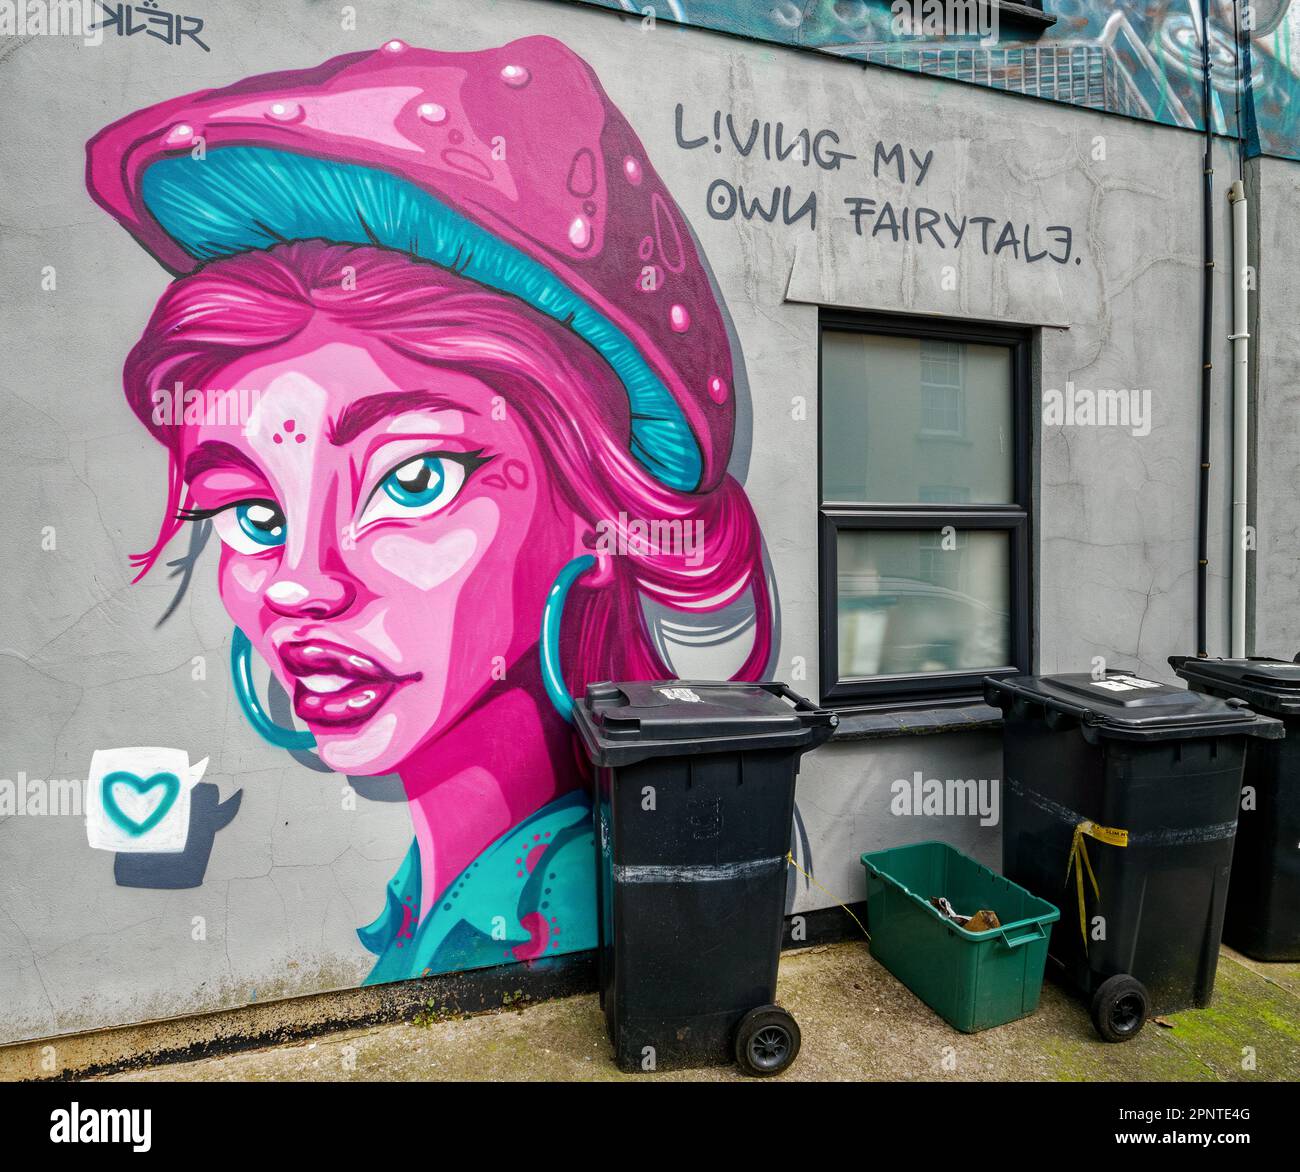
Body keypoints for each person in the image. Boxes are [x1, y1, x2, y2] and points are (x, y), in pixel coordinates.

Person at [87, 35, 773, 982]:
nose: (300, 585)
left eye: (413, 482)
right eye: (252, 514)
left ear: (597, 514)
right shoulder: (443, 895)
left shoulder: (552, 900)